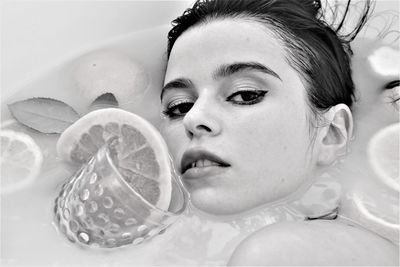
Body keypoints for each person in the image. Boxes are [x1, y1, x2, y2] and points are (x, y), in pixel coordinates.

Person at [159, 0, 398, 265]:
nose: (193, 118)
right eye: (179, 107)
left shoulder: (277, 255)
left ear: (331, 134)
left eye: (245, 94)